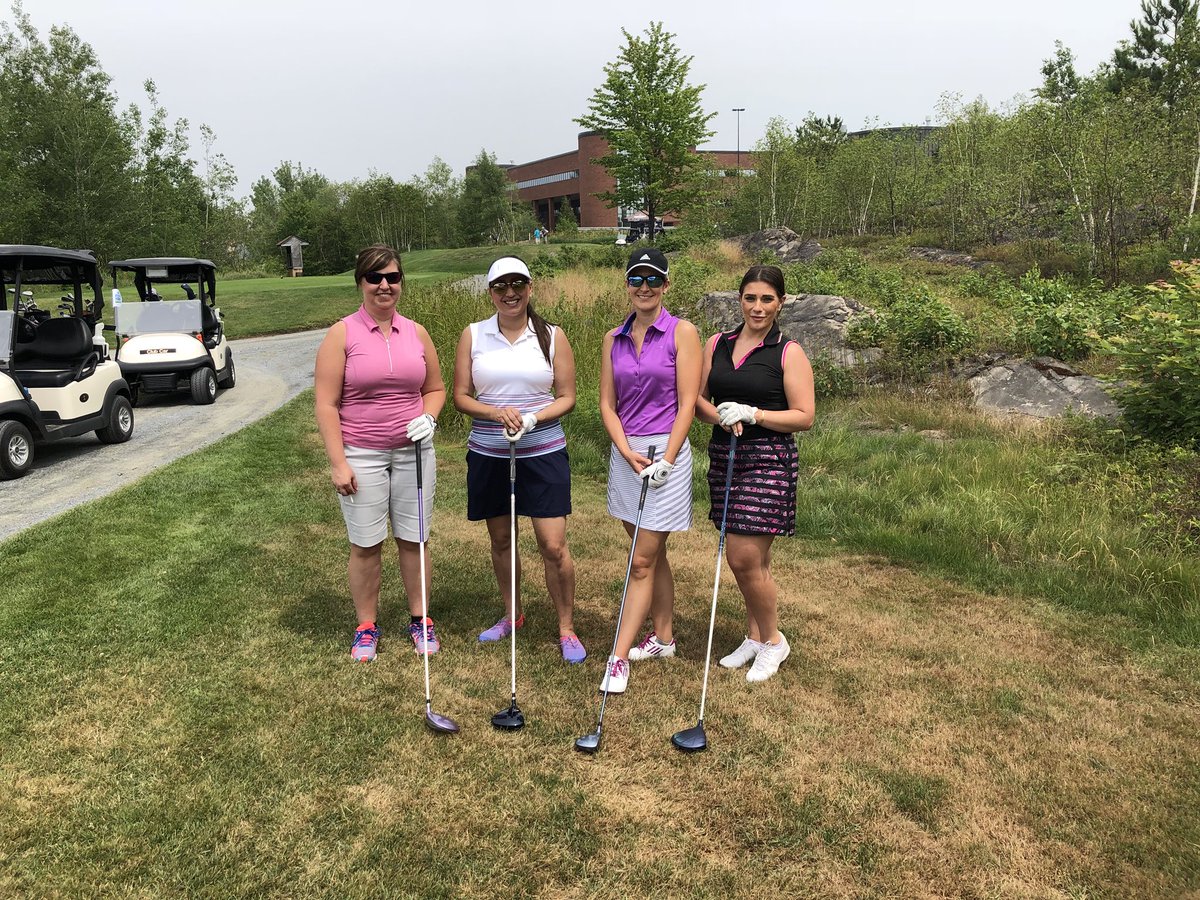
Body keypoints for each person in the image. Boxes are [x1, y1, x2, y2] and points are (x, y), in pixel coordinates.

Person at [314, 244, 446, 663]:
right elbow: (326, 404)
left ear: (401, 283)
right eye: (375, 278)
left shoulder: (416, 332)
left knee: (415, 539)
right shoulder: (342, 334)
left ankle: (420, 619)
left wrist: (430, 417)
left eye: (392, 277)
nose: (384, 285)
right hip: (362, 454)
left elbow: (435, 389)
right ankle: (366, 626)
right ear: (361, 283)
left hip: (414, 454)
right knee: (366, 544)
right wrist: (338, 462)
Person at [452, 256, 586, 663]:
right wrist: (496, 414)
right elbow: (461, 396)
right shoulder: (473, 335)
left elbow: (567, 397)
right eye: (500, 286)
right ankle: (513, 614)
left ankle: (566, 626)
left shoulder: (551, 335)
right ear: (490, 292)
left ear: (530, 287)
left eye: (518, 284)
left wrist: (532, 417)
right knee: (501, 539)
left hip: (542, 452)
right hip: (490, 451)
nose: (510, 293)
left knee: (553, 545)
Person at [695, 264, 815, 683]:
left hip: (769, 460)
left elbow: (804, 416)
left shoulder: (787, 351)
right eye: (750, 298)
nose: (758, 307)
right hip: (726, 457)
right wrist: (721, 416)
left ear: (781, 302)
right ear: (739, 299)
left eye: (767, 299)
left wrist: (755, 413)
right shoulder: (718, 343)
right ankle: (754, 634)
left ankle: (774, 641)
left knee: (743, 557)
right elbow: (696, 399)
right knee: (755, 559)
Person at [596, 248, 701, 694]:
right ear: (627, 285)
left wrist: (669, 460)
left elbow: (687, 403)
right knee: (651, 553)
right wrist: (623, 451)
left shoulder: (683, 333)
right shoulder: (612, 338)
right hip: (627, 456)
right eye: (637, 279)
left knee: (640, 559)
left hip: (666, 455)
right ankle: (663, 637)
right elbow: (607, 404)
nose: (644, 287)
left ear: (665, 285)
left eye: (652, 280)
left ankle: (617, 659)